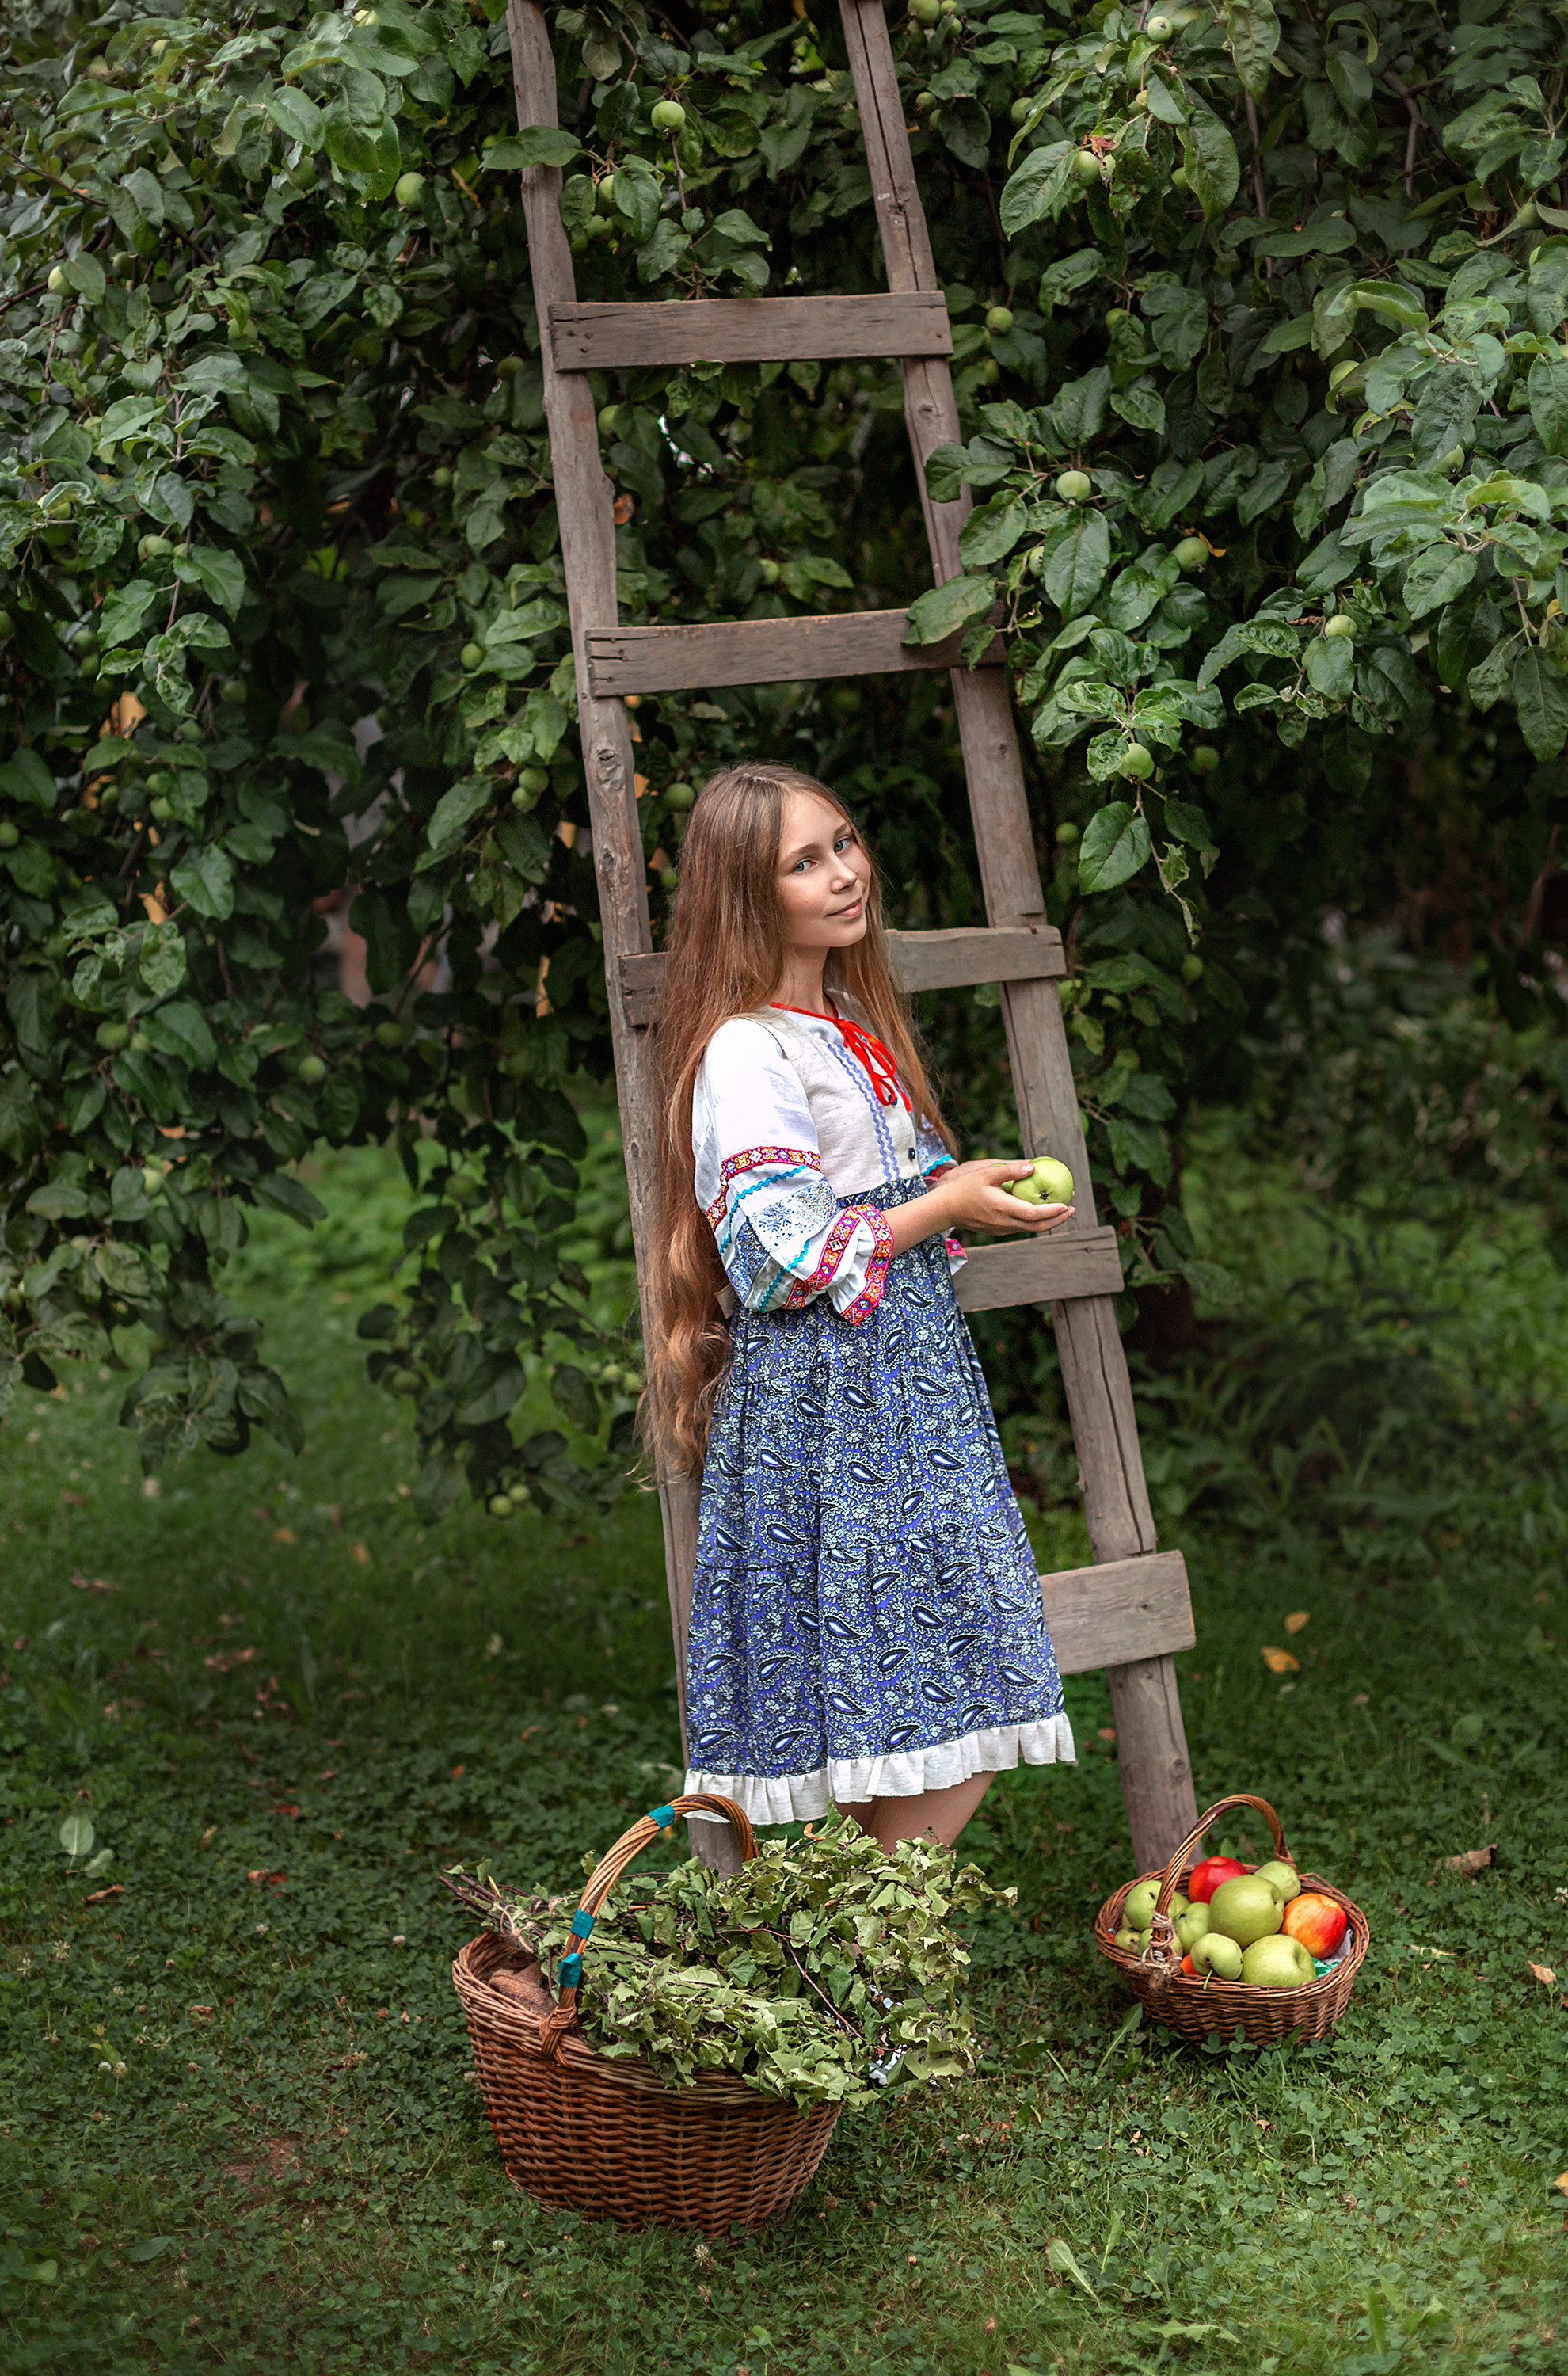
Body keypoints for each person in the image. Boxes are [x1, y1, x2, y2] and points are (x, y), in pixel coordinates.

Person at [649, 762, 1077, 1850]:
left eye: (843, 841)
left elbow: (871, 1207)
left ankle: (859, 1980)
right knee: (949, 1682)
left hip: (903, 1396)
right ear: (749, 895)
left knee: (915, 1699)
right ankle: (874, 1985)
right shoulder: (749, 1047)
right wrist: (944, 1202)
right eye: (805, 862)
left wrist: (958, 1194)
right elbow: (778, 1255)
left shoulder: (841, 1021)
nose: (846, 874)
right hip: (838, 1408)